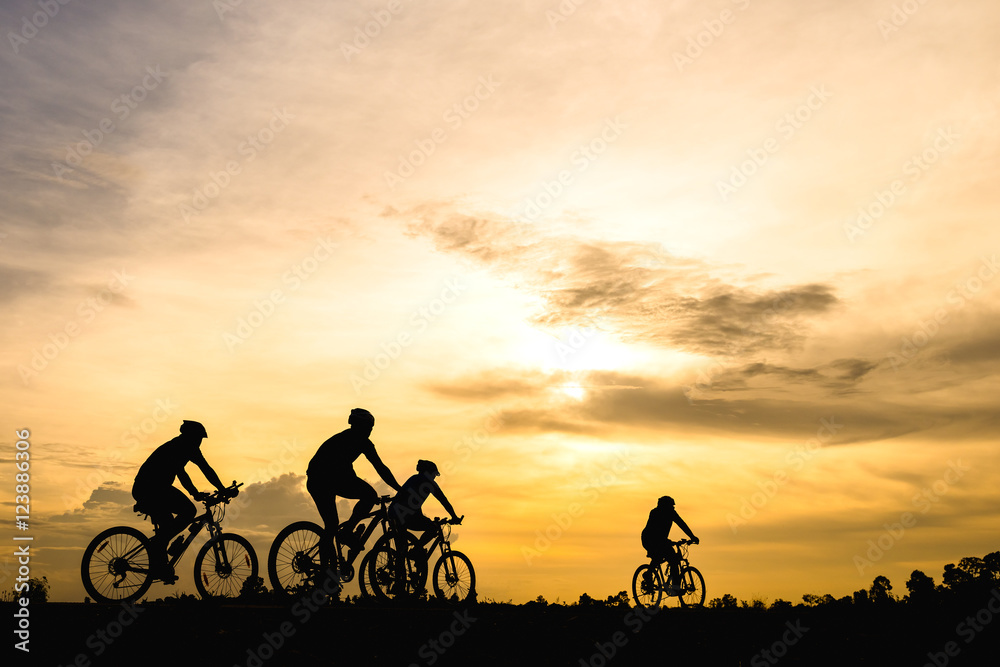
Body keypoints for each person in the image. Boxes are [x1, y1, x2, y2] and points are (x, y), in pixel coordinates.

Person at [131, 420, 231, 580]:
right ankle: (159, 551)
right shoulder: (176, 447)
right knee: (188, 511)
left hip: (156, 488)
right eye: (198, 438)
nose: (199, 443)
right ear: (190, 437)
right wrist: (197, 493)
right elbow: (182, 474)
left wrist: (221, 489)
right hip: (149, 488)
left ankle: (160, 563)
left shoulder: (189, 448)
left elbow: (206, 469)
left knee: (168, 525)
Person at [306, 408, 402, 567]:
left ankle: (327, 570)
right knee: (367, 497)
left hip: (327, 479)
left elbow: (380, 467)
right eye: (367, 428)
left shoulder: (361, 442)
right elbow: (347, 472)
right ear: (357, 426)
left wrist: (398, 487)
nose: (369, 432)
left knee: (331, 526)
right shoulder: (346, 440)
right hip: (321, 479)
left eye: (371, 429)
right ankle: (345, 536)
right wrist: (399, 489)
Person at [389, 459, 462, 554]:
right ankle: (416, 550)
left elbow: (412, 503)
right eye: (434, 474)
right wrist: (454, 517)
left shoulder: (414, 478)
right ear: (429, 472)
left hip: (394, 513)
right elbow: (444, 501)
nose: (434, 477)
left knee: (402, 548)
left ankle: (404, 561)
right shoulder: (429, 482)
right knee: (432, 528)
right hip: (403, 514)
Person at [641, 495, 699, 593]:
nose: (673, 508)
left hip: (661, 540)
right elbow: (654, 530)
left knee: (673, 560)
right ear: (664, 506)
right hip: (649, 539)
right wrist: (666, 541)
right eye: (671, 506)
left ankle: (674, 587)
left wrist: (692, 537)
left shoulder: (671, 513)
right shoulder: (655, 513)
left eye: (673, 506)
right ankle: (649, 574)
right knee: (662, 557)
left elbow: (682, 524)